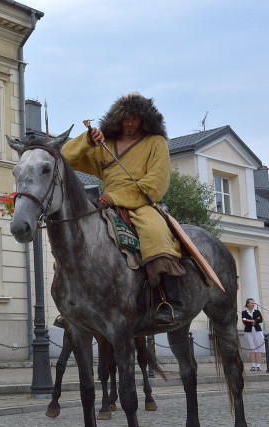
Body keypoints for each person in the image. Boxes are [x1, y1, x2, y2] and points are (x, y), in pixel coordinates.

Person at [61, 92, 184, 325]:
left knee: (155, 234)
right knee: (76, 236)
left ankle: (170, 303)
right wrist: (87, 140)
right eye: (126, 118)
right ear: (117, 118)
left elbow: (156, 185)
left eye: (135, 119)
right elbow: (66, 158)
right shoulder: (104, 144)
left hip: (141, 203)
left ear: (145, 120)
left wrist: (116, 197)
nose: (129, 123)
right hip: (105, 203)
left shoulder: (155, 143)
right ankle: (74, 302)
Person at [242, 298, 265, 371]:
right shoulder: (244, 312)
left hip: (257, 331)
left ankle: (258, 366)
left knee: (258, 348)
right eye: (251, 303)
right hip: (248, 332)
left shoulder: (257, 311)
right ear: (247, 304)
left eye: (253, 303)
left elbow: (260, 320)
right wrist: (255, 320)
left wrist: (250, 320)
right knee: (251, 349)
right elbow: (244, 321)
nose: (253, 304)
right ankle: (253, 366)